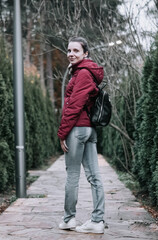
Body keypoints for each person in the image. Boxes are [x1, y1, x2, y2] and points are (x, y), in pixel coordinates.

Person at [57, 36, 105, 234]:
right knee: (94, 176)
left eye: (76, 51)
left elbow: (74, 106)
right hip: (89, 130)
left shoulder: (83, 73)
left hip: (77, 129)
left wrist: (62, 133)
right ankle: (97, 220)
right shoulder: (83, 72)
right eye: (69, 50)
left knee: (73, 176)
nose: (71, 54)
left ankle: (69, 219)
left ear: (85, 53)